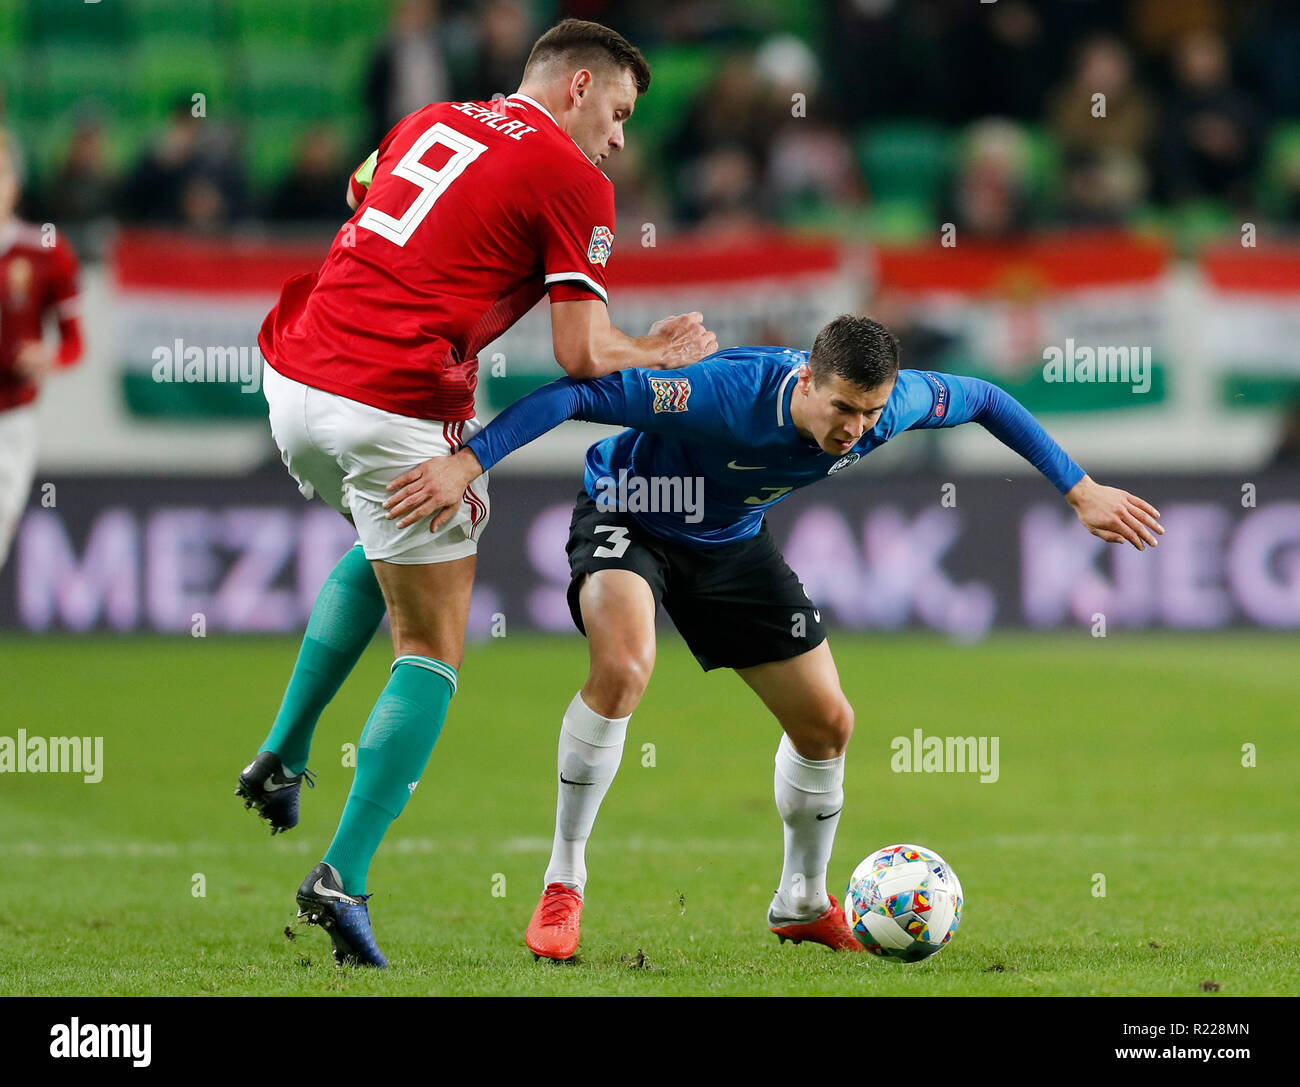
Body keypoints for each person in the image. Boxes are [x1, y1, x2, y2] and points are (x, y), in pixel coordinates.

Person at [384, 315, 1165, 959]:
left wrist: (1081, 489)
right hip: (631, 515)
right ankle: (563, 883)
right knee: (624, 667)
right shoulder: (717, 394)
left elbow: (989, 399)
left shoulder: (887, 408)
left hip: (729, 543)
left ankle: (799, 898)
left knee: (829, 723)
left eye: (869, 413)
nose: (856, 431)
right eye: (842, 411)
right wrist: (467, 461)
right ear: (805, 383)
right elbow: (574, 394)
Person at [241, 19, 717, 968]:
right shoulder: (576, 178)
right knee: (431, 645)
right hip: (388, 400)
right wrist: (653, 353)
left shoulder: (432, 116)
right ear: (579, 86)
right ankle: (343, 873)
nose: (618, 138)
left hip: (293, 376)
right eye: (618, 113)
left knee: (387, 545)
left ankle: (283, 755)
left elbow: (360, 192)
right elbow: (581, 356)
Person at [0, 130, 83, 572]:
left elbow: (74, 343)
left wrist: (46, 360)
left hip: (12, 420)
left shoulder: (45, 252)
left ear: (14, 183)